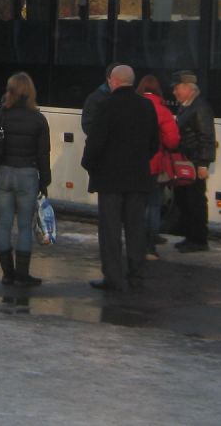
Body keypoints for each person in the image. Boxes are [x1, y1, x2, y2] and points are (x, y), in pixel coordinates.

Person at [81, 64, 159, 293]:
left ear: (114, 81)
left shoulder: (106, 106)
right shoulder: (146, 106)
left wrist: (89, 164)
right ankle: (136, 274)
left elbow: (95, 142)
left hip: (110, 179)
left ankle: (113, 278)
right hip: (138, 177)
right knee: (135, 228)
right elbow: (154, 142)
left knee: (110, 230)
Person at [0, 71, 51, 287]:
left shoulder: (3, 112)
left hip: (3, 173)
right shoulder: (38, 119)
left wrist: (1, 105)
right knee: (24, 226)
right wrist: (45, 182)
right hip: (27, 175)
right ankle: (22, 275)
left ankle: (7, 274)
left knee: (4, 224)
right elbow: (43, 154)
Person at [172, 70, 218, 253]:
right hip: (186, 161)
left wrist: (203, 164)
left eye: (177, 88)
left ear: (188, 88)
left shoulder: (200, 108)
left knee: (195, 201)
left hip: (194, 162)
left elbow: (207, 137)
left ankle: (199, 240)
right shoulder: (187, 106)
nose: (174, 92)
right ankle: (190, 237)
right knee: (184, 200)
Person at [137, 74, 181, 260]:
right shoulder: (162, 111)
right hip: (155, 166)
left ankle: (135, 243)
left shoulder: (134, 106)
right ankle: (149, 247)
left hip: (134, 165)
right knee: (153, 205)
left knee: (137, 205)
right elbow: (172, 141)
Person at [79, 63, 119, 139]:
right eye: (118, 79)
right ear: (109, 79)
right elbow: (88, 126)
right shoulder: (96, 98)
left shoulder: (129, 97)